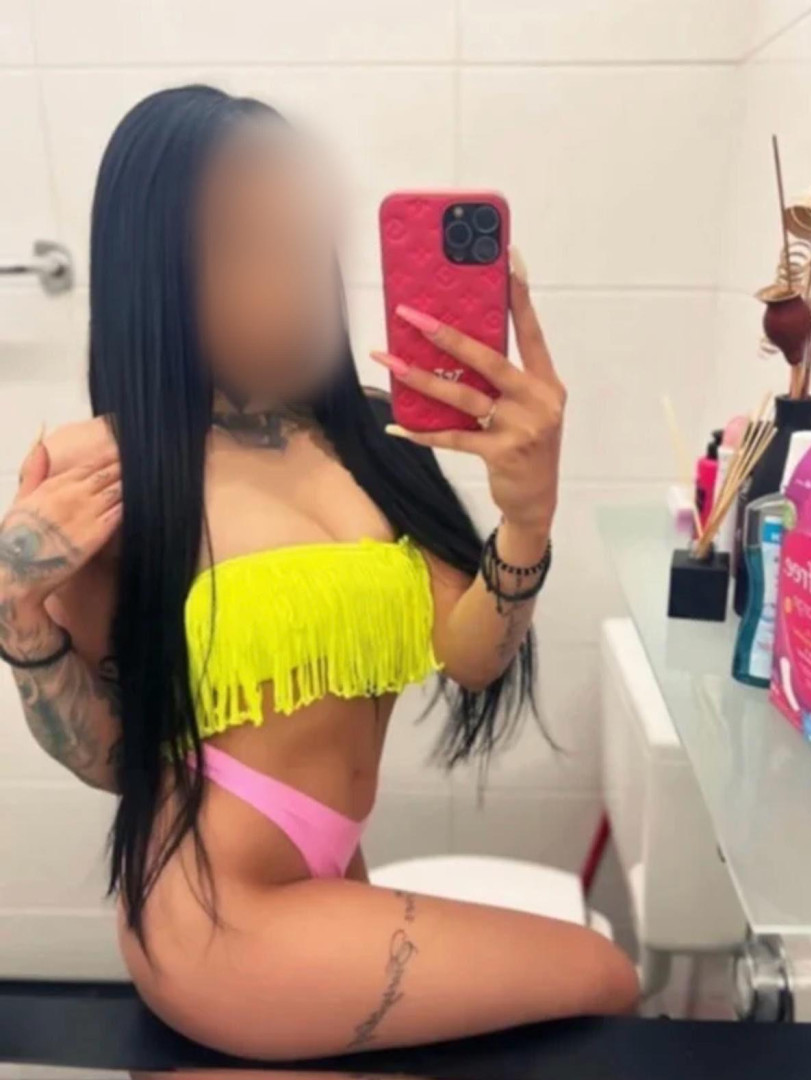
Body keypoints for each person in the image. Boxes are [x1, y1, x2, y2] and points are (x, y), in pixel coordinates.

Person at [0, 86, 638, 1060]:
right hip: (215, 907)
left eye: (299, 240)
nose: (289, 282)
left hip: (331, 866)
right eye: (241, 245)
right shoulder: (107, 465)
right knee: (604, 973)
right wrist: (18, 611)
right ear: (155, 271)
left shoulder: (372, 431)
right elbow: (111, 757)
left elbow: (470, 658)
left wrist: (527, 518)